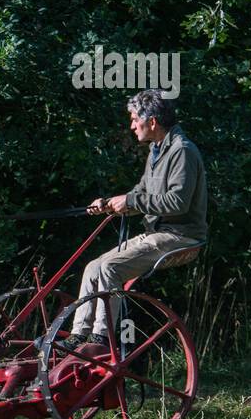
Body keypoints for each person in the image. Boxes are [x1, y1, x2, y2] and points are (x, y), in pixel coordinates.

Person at [67, 90, 208, 348]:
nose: (132, 125)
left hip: (180, 235)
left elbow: (177, 202)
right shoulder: (156, 150)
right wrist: (111, 203)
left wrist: (130, 202)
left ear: (152, 121)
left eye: (134, 119)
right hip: (157, 232)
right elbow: (142, 193)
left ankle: (100, 339)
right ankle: (78, 336)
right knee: (92, 267)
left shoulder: (182, 151)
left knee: (111, 267)